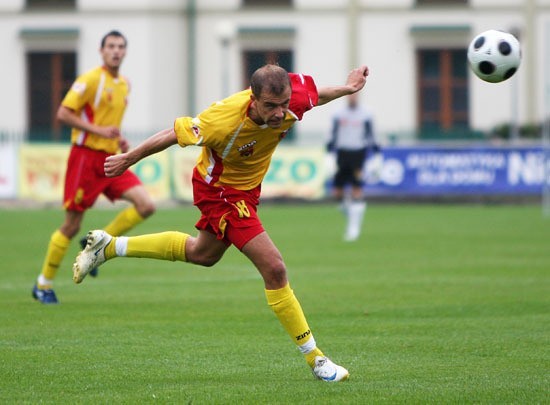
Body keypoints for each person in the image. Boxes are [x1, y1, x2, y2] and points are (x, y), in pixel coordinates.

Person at [73, 64, 369, 381]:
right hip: (220, 191)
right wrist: (128, 159)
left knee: (204, 254)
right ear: (253, 99)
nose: (279, 113)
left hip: (246, 190)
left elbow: (316, 96)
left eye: (283, 104)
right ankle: (317, 360)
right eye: (270, 106)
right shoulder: (222, 120)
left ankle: (110, 246)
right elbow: (173, 134)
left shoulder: (290, 100)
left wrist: (347, 89)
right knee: (275, 268)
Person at [32, 30, 156, 304]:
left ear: (125, 52)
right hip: (85, 159)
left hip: (110, 159)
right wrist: (98, 130)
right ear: (102, 51)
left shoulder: (124, 84)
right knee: (71, 225)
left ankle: (99, 245)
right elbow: (63, 113)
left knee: (146, 205)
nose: (116, 51)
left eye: (121, 46)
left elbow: (108, 121)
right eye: (111, 46)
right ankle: (43, 284)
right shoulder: (90, 79)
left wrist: (119, 139)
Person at [327, 92, 379, 242]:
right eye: (350, 96)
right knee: (337, 192)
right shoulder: (338, 114)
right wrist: (329, 155)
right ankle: (351, 216)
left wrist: (376, 156)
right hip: (342, 154)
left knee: (357, 189)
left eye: (355, 96)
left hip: (358, 154)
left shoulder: (366, 114)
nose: (352, 98)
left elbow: (371, 135)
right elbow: (332, 135)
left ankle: (354, 228)